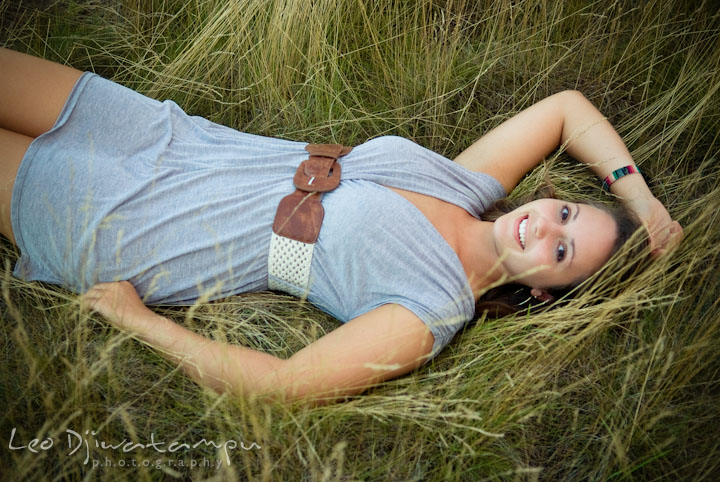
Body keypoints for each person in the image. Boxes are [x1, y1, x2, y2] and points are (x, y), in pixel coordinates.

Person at [0, 48, 682, 405]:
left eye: (561, 253)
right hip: (172, 139)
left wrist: (137, 320)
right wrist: (641, 202)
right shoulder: (468, 183)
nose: (543, 227)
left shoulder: (431, 309)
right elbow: (565, 109)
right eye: (564, 212)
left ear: (541, 293)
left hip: (147, 225)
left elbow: (282, 384)